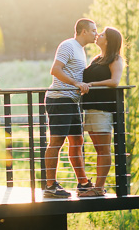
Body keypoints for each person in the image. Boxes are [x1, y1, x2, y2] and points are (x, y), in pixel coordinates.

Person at [43, 18, 97, 198]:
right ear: (83, 32)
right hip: (59, 99)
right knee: (56, 142)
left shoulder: (81, 50)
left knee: (77, 142)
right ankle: (50, 187)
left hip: (72, 101)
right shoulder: (68, 45)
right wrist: (76, 83)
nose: (96, 34)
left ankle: (82, 183)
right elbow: (55, 70)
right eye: (94, 31)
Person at [79, 27, 124, 197]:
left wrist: (92, 85)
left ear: (109, 40)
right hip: (90, 108)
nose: (98, 35)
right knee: (98, 148)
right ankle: (98, 188)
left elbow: (115, 81)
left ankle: (98, 188)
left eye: (102, 34)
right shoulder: (97, 59)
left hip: (103, 109)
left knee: (103, 149)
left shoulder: (116, 59)